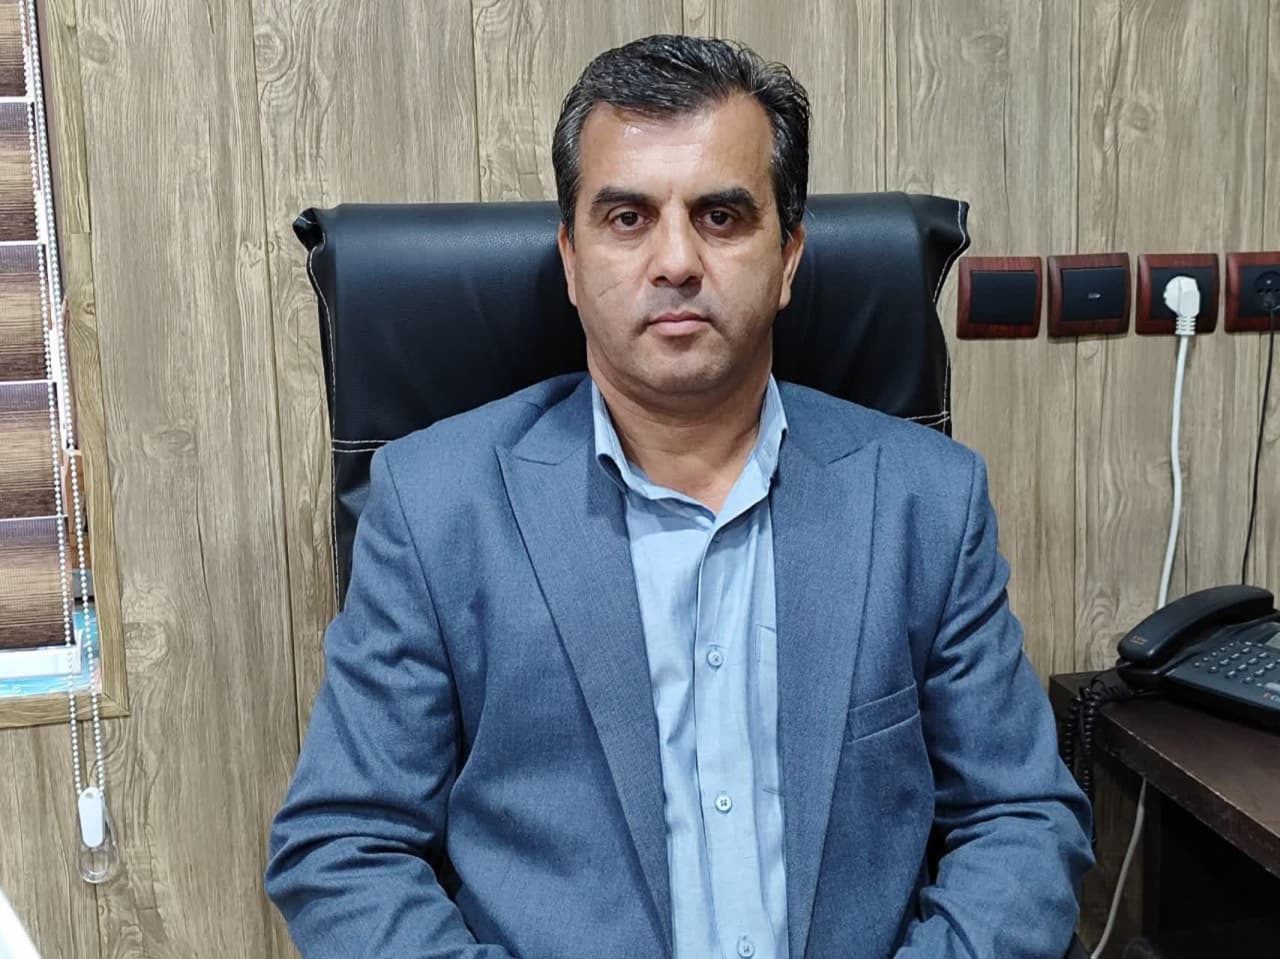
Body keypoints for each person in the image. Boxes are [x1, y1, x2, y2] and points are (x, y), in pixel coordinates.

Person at [265, 34, 1094, 959]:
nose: (675, 261)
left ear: (788, 257)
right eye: (627, 218)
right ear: (571, 259)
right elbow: (343, 847)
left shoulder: (925, 501)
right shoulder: (436, 507)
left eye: (721, 216)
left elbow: (1023, 819)